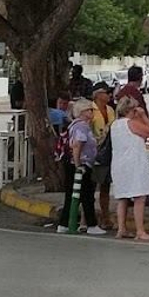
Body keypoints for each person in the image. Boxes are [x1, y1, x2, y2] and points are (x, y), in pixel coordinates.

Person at [111, 96, 149, 240]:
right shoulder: (131, 124)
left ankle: (121, 228)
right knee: (140, 197)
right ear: (132, 109)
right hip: (134, 164)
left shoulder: (115, 124)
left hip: (119, 164)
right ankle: (140, 231)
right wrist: (143, 116)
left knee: (122, 197)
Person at [61, 99, 106, 235]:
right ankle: (91, 224)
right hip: (81, 165)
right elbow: (77, 146)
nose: (92, 112)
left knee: (73, 195)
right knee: (87, 195)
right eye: (89, 110)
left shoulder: (77, 126)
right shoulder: (82, 127)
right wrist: (78, 165)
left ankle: (64, 223)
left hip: (78, 164)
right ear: (82, 112)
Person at [86, 83, 117, 230]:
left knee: (105, 186)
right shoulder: (90, 110)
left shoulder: (110, 110)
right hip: (94, 151)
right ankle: (87, 218)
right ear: (98, 94)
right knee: (91, 187)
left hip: (108, 152)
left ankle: (106, 217)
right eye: (106, 92)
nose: (109, 95)